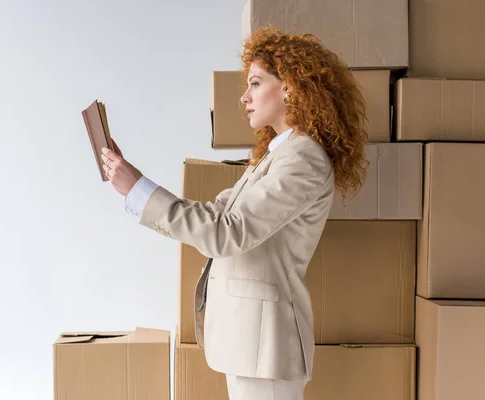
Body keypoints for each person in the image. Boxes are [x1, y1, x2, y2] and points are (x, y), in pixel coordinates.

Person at [100, 26, 368, 400]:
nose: (244, 97)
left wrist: (140, 188)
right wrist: (136, 190)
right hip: (250, 345)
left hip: (266, 348)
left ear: (289, 85)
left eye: (256, 83)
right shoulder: (274, 156)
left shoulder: (302, 158)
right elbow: (215, 217)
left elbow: (227, 233)